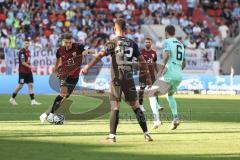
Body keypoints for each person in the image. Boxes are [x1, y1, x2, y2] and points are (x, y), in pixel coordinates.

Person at [81, 18, 153, 143]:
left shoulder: (112, 42)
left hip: (116, 79)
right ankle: (146, 134)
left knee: (115, 107)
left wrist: (87, 66)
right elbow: (143, 62)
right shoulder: (132, 43)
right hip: (129, 78)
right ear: (126, 29)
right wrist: (147, 77)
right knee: (136, 106)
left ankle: (112, 136)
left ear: (115, 28)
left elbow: (99, 55)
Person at [39, 33, 91, 124]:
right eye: (66, 42)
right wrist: (55, 70)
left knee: (64, 97)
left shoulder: (78, 47)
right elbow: (58, 59)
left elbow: (92, 51)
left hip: (75, 76)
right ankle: (51, 114)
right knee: (62, 93)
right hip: (64, 74)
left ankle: (46, 114)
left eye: (69, 42)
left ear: (72, 41)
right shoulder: (60, 50)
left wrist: (87, 51)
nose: (68, 44)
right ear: (63, 42)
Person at [158, 25, 186, 130]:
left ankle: (157, 117)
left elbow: (166, 56)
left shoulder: (167, 41)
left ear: (166, 32)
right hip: (178, 75)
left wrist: (160, 70)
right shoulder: (181, 45)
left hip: (169, 72)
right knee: (169, 95)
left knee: (152, 91)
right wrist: (177, 71)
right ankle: (175, 117)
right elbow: (184, 63)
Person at [138, 37, 164, 129]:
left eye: (148, 42)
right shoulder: (141, 52)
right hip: (143, 74)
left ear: (151, 43)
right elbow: (138, 62)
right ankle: (140, 104)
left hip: (152, 75)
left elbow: (155, 63)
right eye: (145, 42)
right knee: (141, 89)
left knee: (154, 91)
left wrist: (158, 73)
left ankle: (158, 105)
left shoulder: (154, 53)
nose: (147, 43)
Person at [9, 39, 41, 106]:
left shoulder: (29, 51)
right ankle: (12, 98)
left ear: (29, 44)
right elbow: (23, 62)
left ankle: (33, 101)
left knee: (30, 85)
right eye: (25, 43)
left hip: (28, 72)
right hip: (22, 72)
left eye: (28, 43)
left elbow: (27, 61)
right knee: (20, 86)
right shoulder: (22, 51)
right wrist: (31, 67)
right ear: (23, 44)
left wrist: (30, 67)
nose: (27, 44)